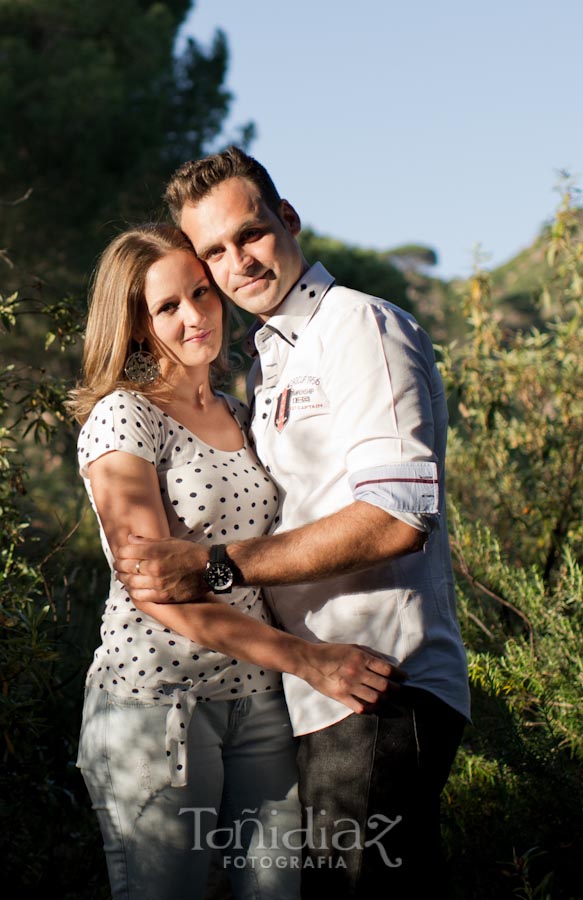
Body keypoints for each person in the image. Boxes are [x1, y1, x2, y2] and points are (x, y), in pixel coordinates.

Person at [114, 148, 472, 898]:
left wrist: (214, 562)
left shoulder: (359, 328)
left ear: (288, 220)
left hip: (381, 682)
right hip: (319, 696)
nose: (236, 261)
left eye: (249, 234)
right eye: (213, 251)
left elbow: (396, 518)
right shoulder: (266, 364)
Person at [67, 223, 404, 900]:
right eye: (168, 307)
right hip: (157, 710)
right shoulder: (123, 418)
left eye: (200, 292)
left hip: (258, 704)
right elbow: (157, 590)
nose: (196, 316)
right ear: (136, 326)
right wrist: (308, 659)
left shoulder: (240, 411)